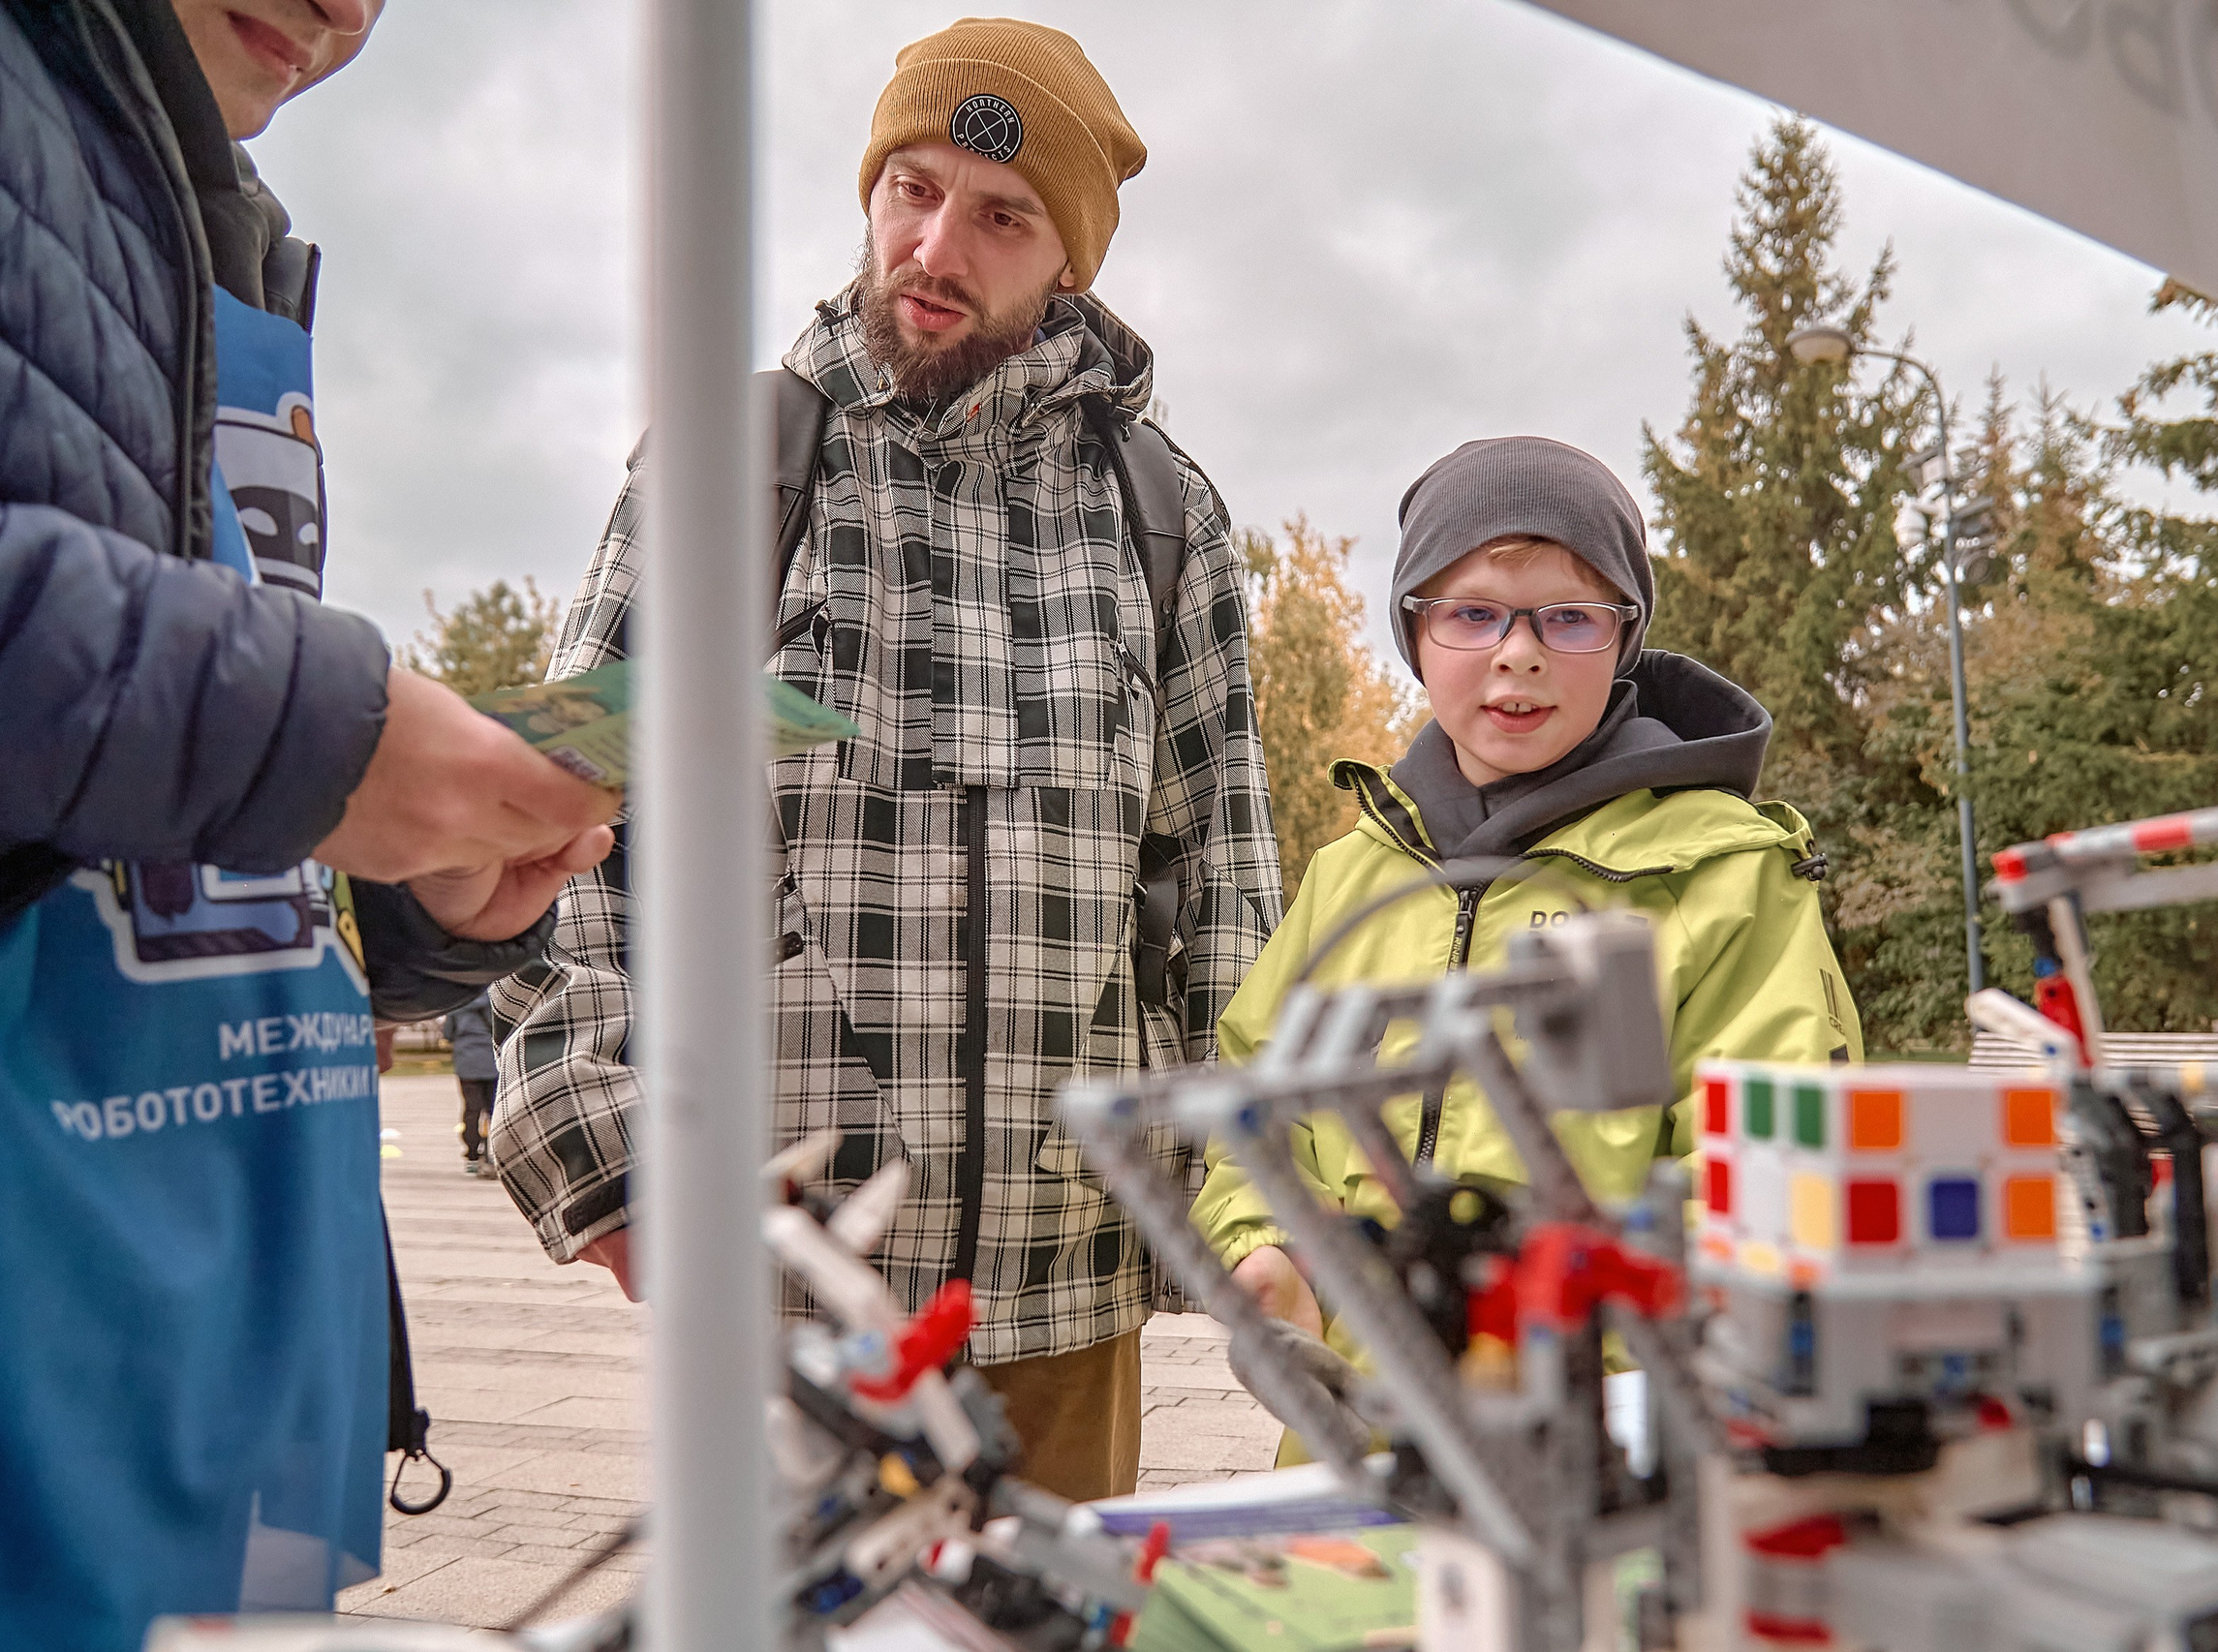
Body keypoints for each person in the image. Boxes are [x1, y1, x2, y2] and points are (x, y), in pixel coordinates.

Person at [493, 16, 1281, 1504]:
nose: (935, 242)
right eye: (908, 189)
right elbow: (563, 822)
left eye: (1000, 215)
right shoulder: (732, 462)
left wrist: (1237, 1207)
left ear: (1069, 260)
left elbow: (1228, 887)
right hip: (789, 1281)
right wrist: (601, 1152)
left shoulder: (1167, 512)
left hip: (1065, 1289)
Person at [0, 1, 616, 1644]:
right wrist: (327, 733)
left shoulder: (231, 239)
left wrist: (438, 903)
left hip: (244, 1315)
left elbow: (184, 831)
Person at [1192, 437, 1863, 1393]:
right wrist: (1267, 1246)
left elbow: (1778, 1169)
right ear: (1415, 631)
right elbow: (1259, 1095)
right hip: (1358, 1432)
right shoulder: (1351, 876)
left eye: (1569, 618)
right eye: (1472, 613)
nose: (1519, 654)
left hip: (1618, 1437)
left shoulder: (1726, 876)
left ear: (1623, 634)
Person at [446, 997, 500, 1177]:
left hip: (466, 1062)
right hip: (490, 1061)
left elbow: (448, 1034)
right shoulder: (494, 1001)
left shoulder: (456, 1002)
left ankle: (472, 1155)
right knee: (494, 1110)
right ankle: (494, 1152)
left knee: (471, 1109)